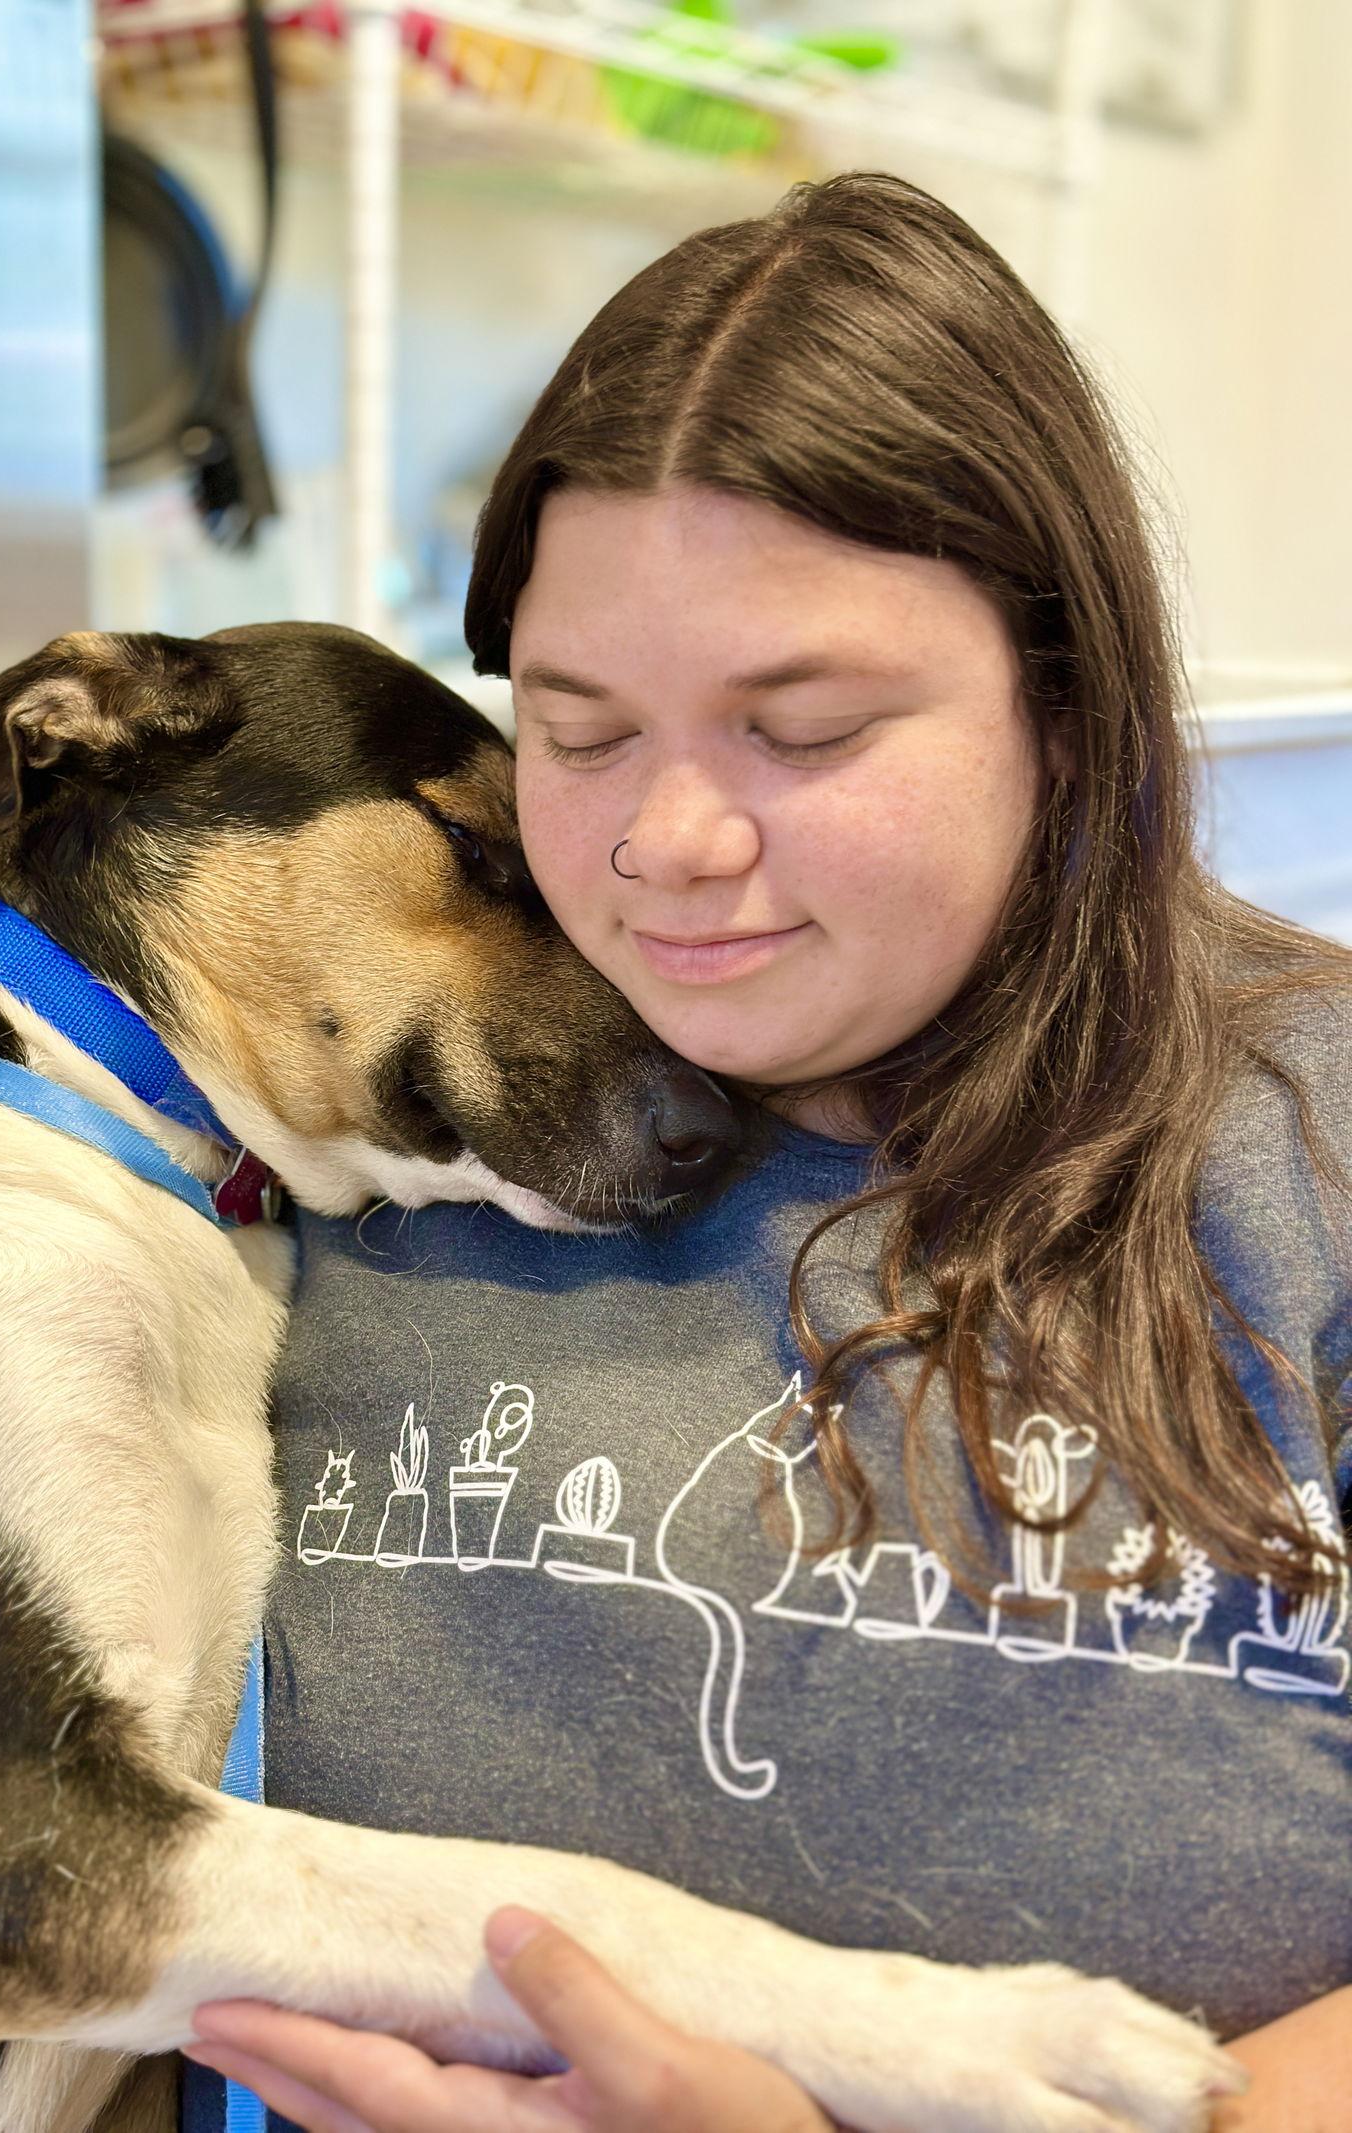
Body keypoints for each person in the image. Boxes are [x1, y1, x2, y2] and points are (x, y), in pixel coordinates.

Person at [181, 173, 1352, 2133]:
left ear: (1062, 710)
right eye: (576, 733)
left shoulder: (1309, 1141)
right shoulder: (385, 1117)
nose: (668, 842)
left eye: (799, 730)